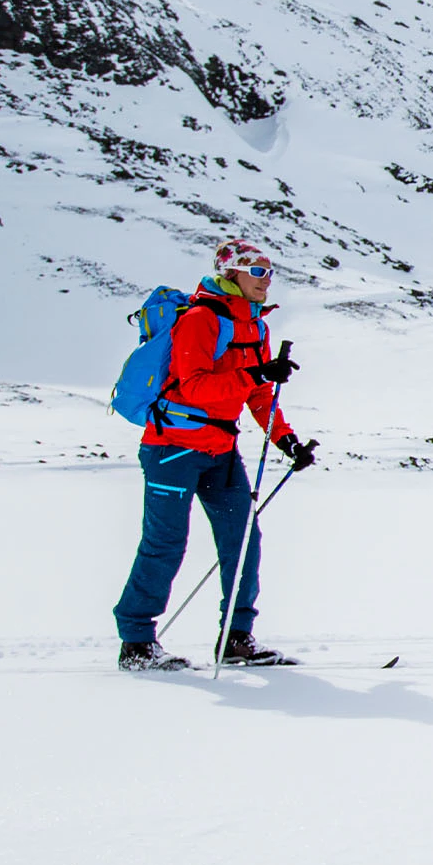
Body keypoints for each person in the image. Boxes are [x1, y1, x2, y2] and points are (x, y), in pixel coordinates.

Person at [112, 239, 317, 671]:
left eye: (269, 272)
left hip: (220, 450)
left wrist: (286, 441)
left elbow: (260, 395)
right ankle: (136, 643)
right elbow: (194, 387)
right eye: (257, 272)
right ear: (232, 274)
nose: (266, 280)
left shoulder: (256, 327)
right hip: (172, 449)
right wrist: (254, 372)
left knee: (242, 541)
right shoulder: (201, 320)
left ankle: (236, 640)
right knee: (165, 543)